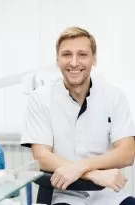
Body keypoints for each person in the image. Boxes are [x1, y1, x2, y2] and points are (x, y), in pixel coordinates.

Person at [21, 27, 135, 205]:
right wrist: (92, 174)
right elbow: (41, 157)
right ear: (57, 59)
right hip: (65, 194)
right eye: (66, 54)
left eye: (82, 54)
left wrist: (81, 167)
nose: (74, 63)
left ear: (94, 59)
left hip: (108, 195)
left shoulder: (114, 97)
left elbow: (127, 153)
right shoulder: (41, 98)